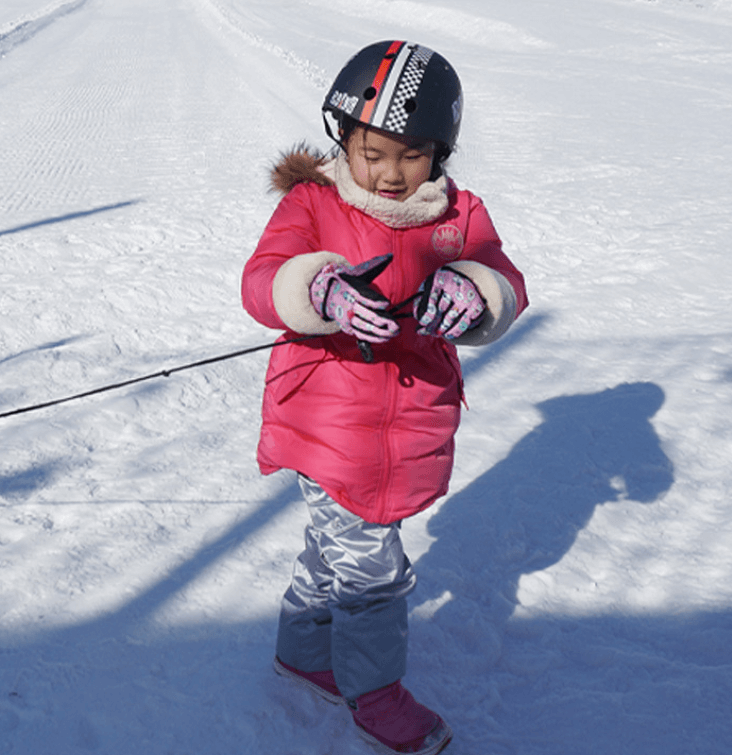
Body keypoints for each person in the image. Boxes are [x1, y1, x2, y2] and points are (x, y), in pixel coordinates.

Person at [241, 40, 528, 755]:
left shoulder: (458, 213)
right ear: (345, 139)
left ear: (440, 150)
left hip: (412, 419)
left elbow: (503, 277)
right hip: (327, 422)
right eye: (372, 152)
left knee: (332, 548)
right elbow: (261, 277)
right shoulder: (314, 203)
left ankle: (303, 651)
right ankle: (374, 695)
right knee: (371, 570)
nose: (391, 173)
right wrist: (317, 287)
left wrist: (477, 288)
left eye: (412, 153)